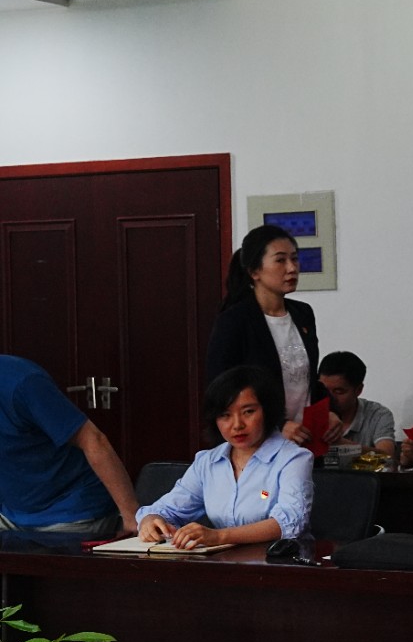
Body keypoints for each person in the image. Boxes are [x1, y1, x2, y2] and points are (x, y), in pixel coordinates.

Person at [136, 366, 313, 549]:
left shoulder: (293, 459)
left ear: (267, 410)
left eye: (248, 412)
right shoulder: (208, 462)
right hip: (223, 561)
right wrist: (151, 520)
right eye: (225, 415)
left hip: (279, 560)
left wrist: (220, 536)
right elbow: (168, 509)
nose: (237, 425)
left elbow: (291, 521)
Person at [205, 224, 321, 447]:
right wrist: (278, 424)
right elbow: (221, 388)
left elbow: (307, 377)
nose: (291, 268)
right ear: (254, 271)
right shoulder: (235, 320)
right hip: (257, 441)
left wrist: (329, 410)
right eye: (280, 260)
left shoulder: (303, 313)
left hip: (303, 438)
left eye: (294, 259)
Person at [0, 354, 140, 536]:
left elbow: (93, 440)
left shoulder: (24, 382)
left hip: (70, 511)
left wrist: (131, 516)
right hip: (11, 513)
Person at [318, 351, 396, 454]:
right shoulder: (307, 410)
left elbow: (387, 455)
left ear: (358, 390)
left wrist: (343, 445)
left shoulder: (377, 415)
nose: (329, 397)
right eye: (324, 390)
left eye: (339, 391)